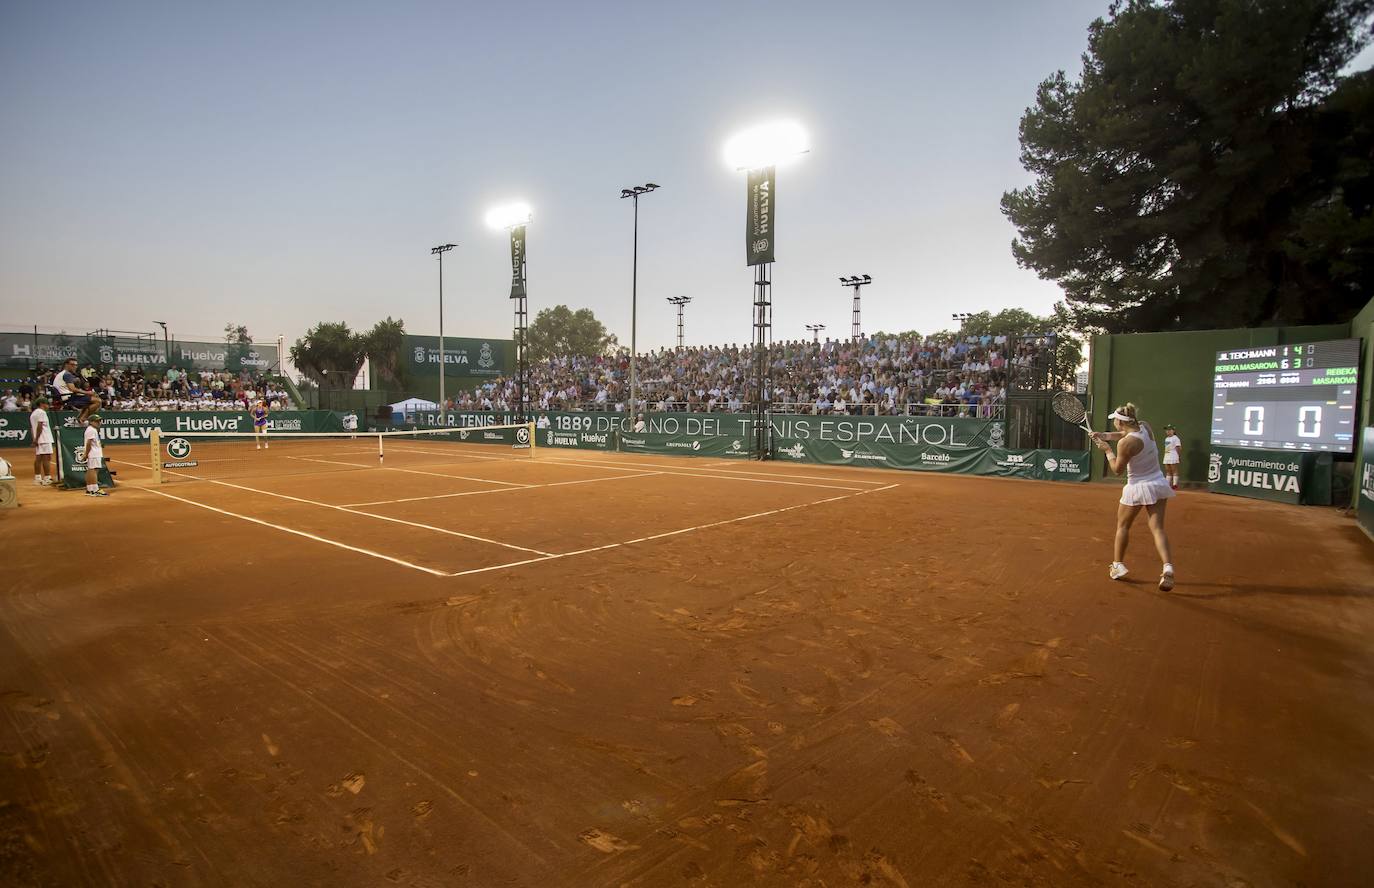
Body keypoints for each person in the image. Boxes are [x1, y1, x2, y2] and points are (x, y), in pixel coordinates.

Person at [1092, 402, 1175, 590]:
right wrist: (1104, 436)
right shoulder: (1145, 426)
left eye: (1115, 421)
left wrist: (1107, 450)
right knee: (1157, 529)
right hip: (1158, 483)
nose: (1114, 424)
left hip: (1137, 487)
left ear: (1121, 423)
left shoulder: (1126, 444)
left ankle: (1117, 565)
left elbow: (1117, 470)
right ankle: (1168, 568)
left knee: (1122, 526)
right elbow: (1124, 435)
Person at [52, 357, 102, 423]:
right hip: (68, 397)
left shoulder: (62, 374)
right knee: (97, 401)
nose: (75, 367)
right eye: (72, 365)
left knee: (90, 401)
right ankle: (82, 419)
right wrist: (87, 392)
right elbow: (72, 389)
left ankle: (79, 419)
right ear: (66, 365)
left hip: (66, 396)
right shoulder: (67, 374)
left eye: (76, 365)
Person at [30, 396, 54, 486]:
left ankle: (37, 478)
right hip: (44, 438)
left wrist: (35, 439)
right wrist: (36, 439)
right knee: (47, 458)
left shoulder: (33, 413)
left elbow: (32, 428)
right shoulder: (42, 413)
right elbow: (40, 426)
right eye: (46, 403)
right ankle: (47, 478)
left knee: (38, 458)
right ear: (41, 404)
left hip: (39, 439)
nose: (48, 405)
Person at [82, 413, 108, 497]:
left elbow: (91, 442)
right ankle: (95, 490)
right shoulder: (91, 430)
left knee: (91, 470)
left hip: (93, 453)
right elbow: (89, 443)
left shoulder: (91, 429)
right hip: (94, 453)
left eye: (99, 421)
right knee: (94, 470)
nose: (99, 423)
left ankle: (90, 488)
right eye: (97, 421)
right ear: (91, 422)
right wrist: (86, 453)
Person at [1162, 423, 1182, 490]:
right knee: (1168, 471)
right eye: (1167, 430)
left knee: (1174, 470)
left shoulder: (1176, 438)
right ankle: (1167, 485)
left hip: (1173, 456)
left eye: (1169, 430)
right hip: (1167, 456)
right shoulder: (1166, 438)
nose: (1167, 431)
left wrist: (1178, 456)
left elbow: (1178, 448)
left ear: (1173, 430)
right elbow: (1167, 448)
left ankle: (1175, 485)